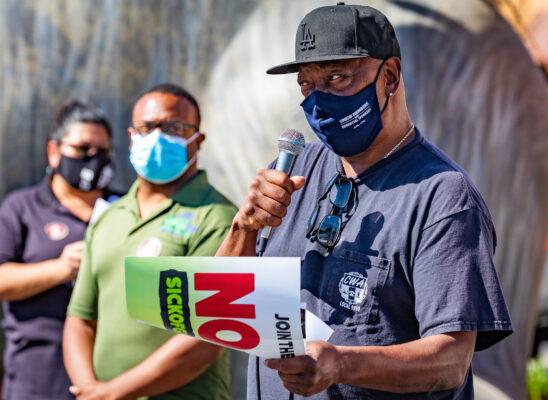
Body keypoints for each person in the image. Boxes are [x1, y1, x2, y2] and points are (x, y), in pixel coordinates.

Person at [216, 3, 513, 399]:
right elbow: (222, 303)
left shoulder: (442, 196)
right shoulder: (290, 173)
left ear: (389, 75)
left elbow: (451, 361)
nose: (319, 101)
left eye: (338, 78)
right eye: (307, 84)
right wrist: (244, 227)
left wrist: (340, 363)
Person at [64, 83, 236, 400]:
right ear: (132, 136)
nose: (157, 136)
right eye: (147, 127)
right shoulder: (109, 216)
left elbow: (207, 338)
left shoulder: (219, 218)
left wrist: (113, 393)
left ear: (197, 141)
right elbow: (80, 317)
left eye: (173, 127)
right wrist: (90, 389)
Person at [0, 100, 115, 400]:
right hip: (37, 378)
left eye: (102, 152)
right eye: (82, 149)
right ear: (54, 151)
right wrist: (63, 268)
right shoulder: (22, 207)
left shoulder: (125, 208)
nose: (93, 159)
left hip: (113, 378)